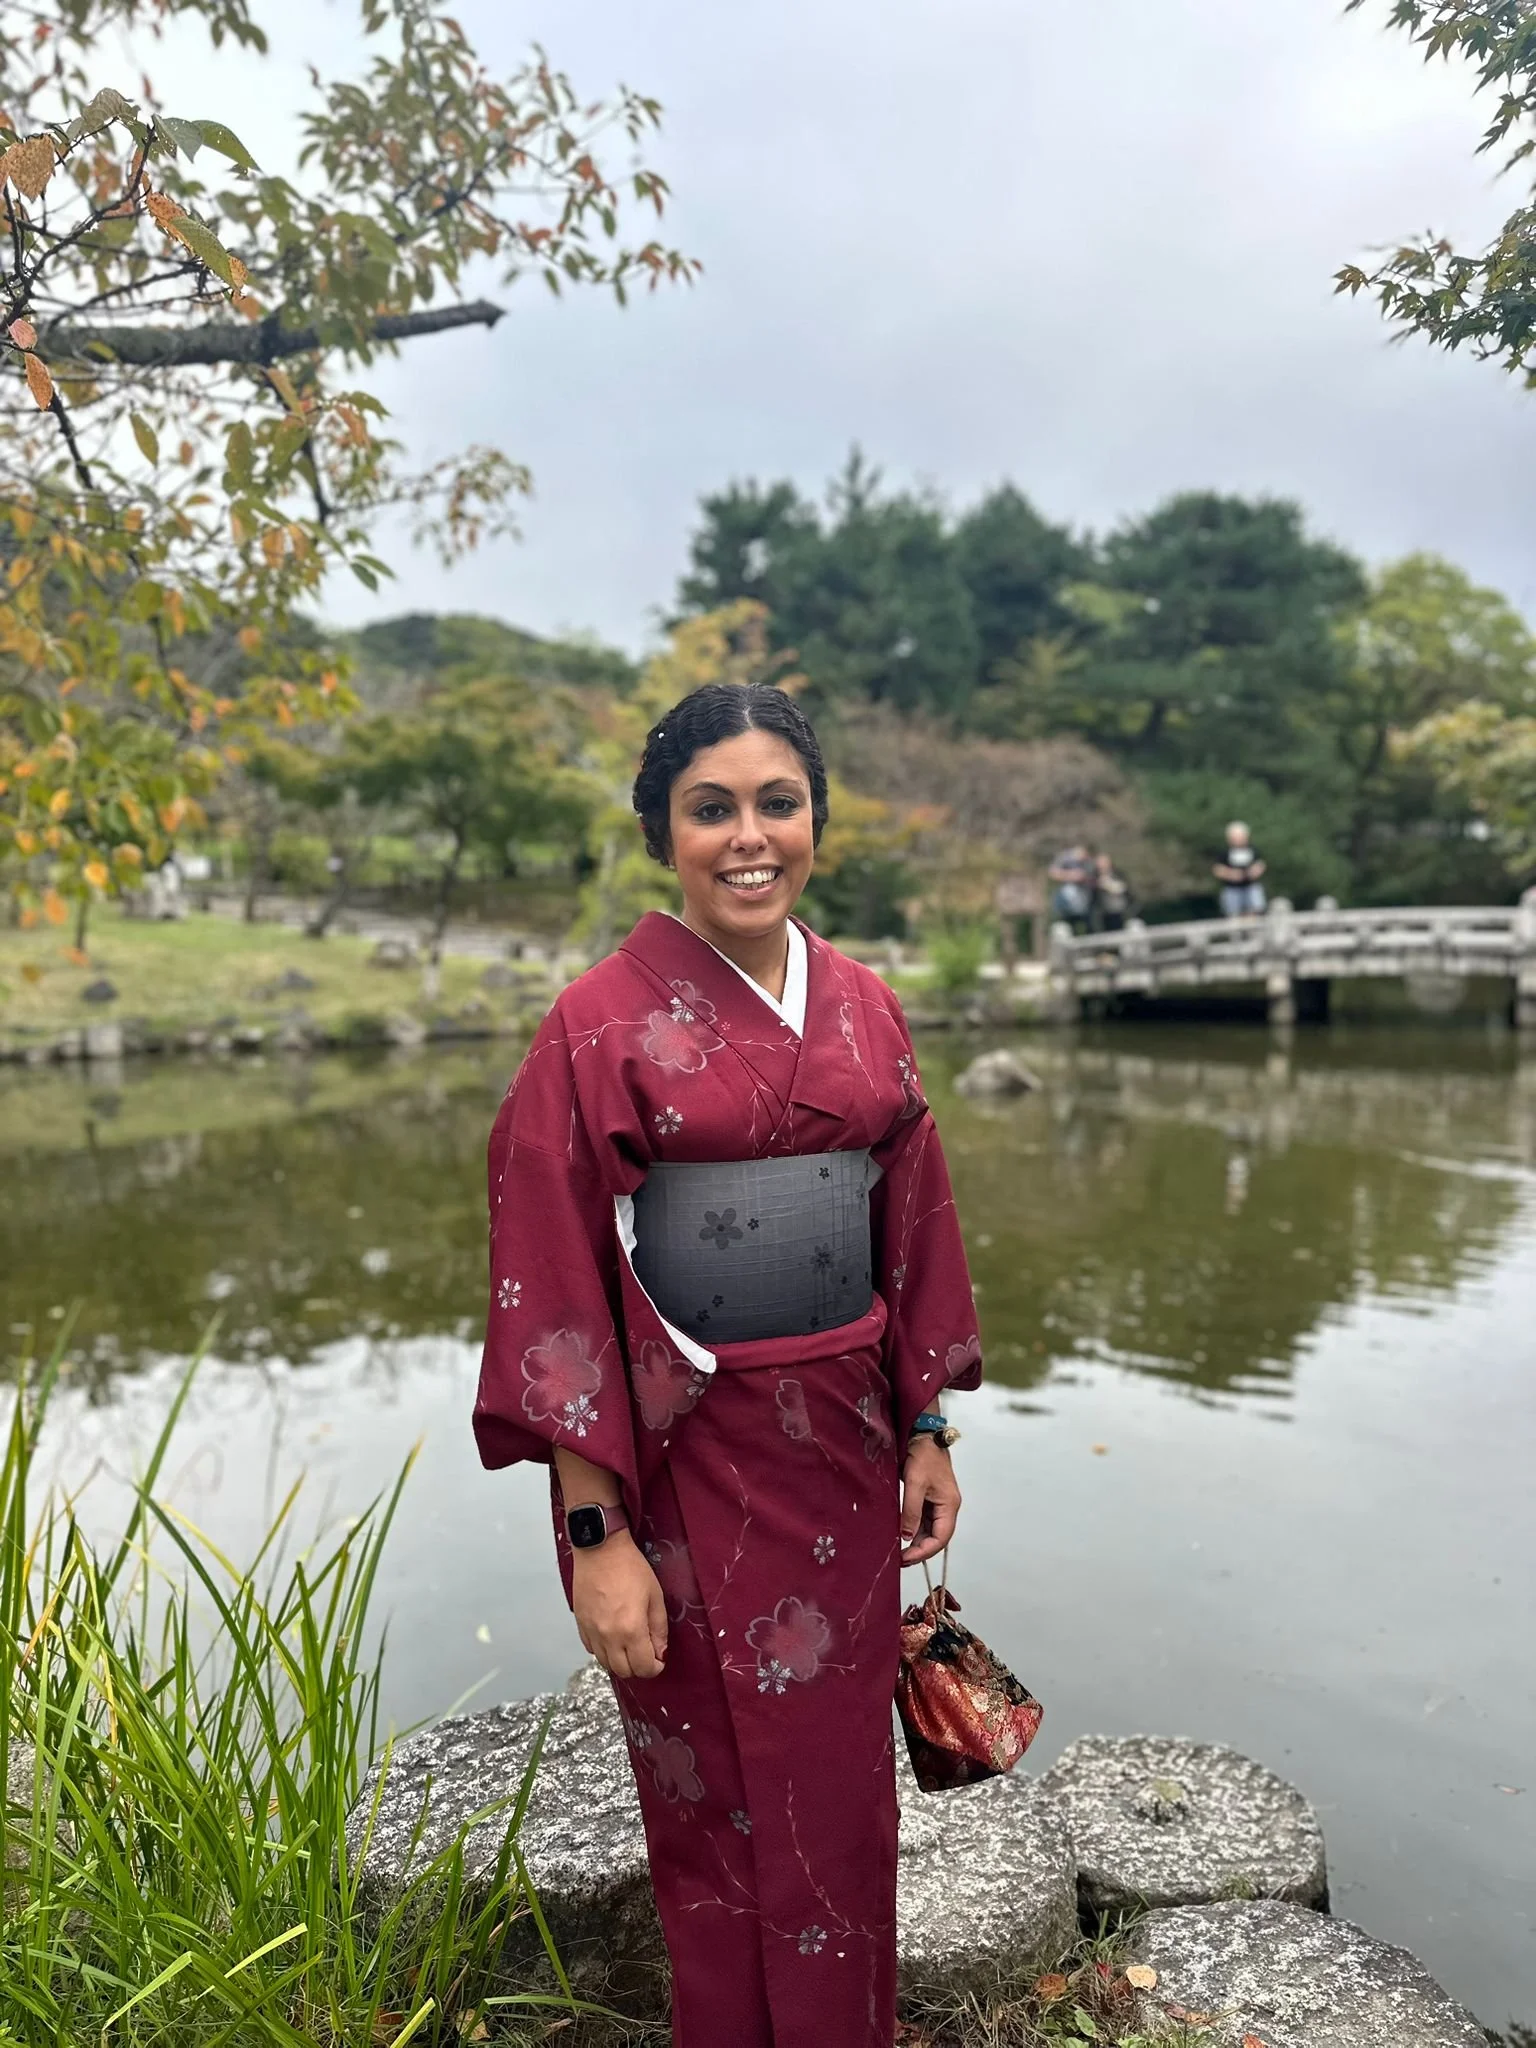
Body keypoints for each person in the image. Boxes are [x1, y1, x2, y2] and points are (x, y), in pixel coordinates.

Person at [473, 682, 982, 2048]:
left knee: (843, 1815)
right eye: (713, 809)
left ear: (815, 818)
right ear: (665, 831)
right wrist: (596, 1534)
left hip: (849, 1461)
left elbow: (913, 1217)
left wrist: (927, 1422)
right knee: (713, 1827)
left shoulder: (866, 1004)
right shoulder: (593, 1025)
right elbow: (556, 1286)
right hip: (686, 1477)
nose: (749, 837)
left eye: (778, 802)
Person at [1213, 821, 1267, 918]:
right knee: (1233, 912)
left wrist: (1254, 872)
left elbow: (1260, 864)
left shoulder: (1253, 850)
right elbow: (1217, 869)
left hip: (1250, 886)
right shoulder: (1225, 852)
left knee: (1256, 908)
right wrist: (1231, 874)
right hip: (1232, 888)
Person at [1048, 842, 1095, 932]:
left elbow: (1090, 876)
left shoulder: (1088, 861)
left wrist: (1084, 877)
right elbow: (1052, 873)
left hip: (1083, 900)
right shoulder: (1064, 858)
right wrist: (1071, 875)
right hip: (1067, 900)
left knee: (1087, 925)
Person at [1092, 853, 1131, 933]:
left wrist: (1107, 885)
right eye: (1099, 864)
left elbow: (1123, 888)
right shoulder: (1094, 877)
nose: (1101, 866)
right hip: (1104, 913)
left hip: (1121, 911)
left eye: (1103, 863)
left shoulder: (1118, 874)